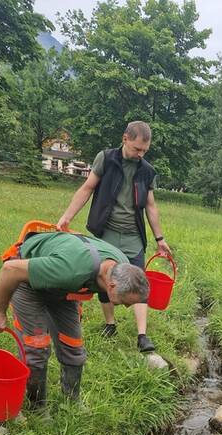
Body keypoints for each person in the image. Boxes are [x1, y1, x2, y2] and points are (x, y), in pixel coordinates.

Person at [0, 229, 150, 406]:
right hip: (25, 279)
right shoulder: (71, 270)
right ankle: (36, 407)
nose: (128, 307)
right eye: (125, 302)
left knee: (73, 346)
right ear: (111, 286)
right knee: (37, 348)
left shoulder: (123, 266)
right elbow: (10, 270)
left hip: (62, 286)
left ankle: (71, 402)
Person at [55, 120, 172, 354]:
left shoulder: (147, 171)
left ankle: (142, 335)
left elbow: (150, 205)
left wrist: (160, 239)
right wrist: (66, 217)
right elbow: (87, 188)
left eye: (144, 151)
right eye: (137, 149)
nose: (140, 154)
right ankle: (110, 324)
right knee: (104, 278)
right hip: (105, 231)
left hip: (132, 235)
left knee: (138, 280)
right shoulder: (106, 159)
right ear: (125, 138)